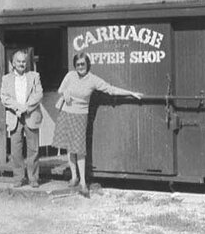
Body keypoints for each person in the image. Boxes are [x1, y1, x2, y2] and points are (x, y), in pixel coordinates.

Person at [53, 52, 143, 197]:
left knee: (79, 149)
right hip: (66, 113)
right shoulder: (70, 76)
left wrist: (131, 93)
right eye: (77, 64)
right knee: (70, 147)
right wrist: (64, 93)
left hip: (80, 116)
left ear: (88, 64)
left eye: (82, 64)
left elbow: (110, 89)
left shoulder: (93, 80)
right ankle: (74, 177)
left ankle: (83, 183)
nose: (80, 67)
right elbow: (60, 90)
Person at [0, 49, 44, 188]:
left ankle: (33, 178)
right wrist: (17, 107)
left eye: (24, 61)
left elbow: (39, 94)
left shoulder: (34, 76)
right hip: (15, 117)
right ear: (13, 63)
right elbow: (4, 96)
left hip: (31, 115)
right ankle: (18, 177)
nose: (21, 64)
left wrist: (26, 107)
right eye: (18, 61)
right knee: (16, 149)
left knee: (33, 149)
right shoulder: (6, 78)